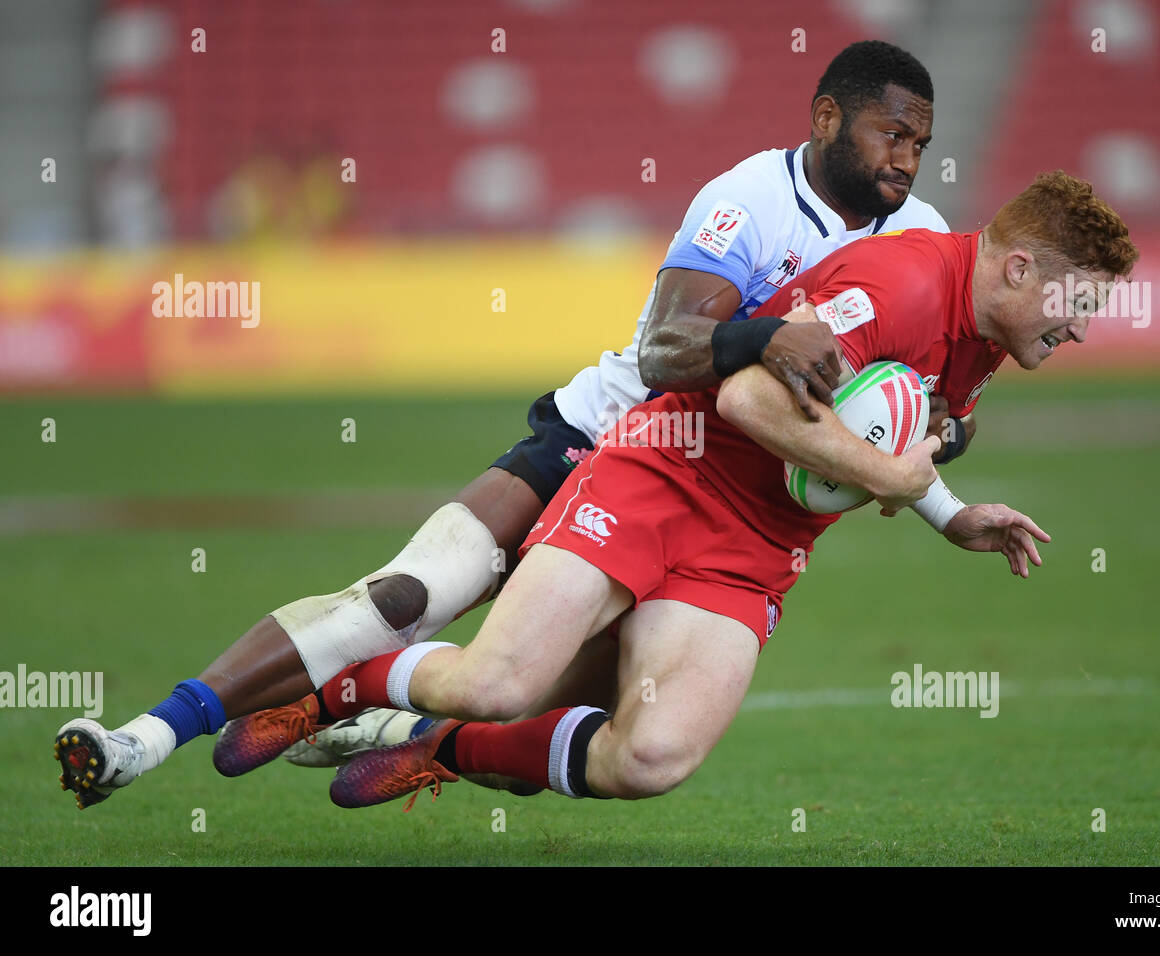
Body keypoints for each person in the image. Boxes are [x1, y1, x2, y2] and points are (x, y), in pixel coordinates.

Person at [54, 40, 959, 808]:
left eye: (920, 142)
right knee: (410, 594)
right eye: (892, 134)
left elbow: (922, 406)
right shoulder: (751, 200)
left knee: (564, 716)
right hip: (603, 439)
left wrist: (938, 477)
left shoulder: (920, 235)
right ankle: (142, 738)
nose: (907, 161)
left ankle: (404, 730)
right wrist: (770, 335)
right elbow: (667, 350)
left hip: (714, 505)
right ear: (828, 118)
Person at [292, 171, 1141, 810]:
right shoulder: (906, 285)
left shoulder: (987, 337)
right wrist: (893, 476)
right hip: (667, 474)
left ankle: (440, 750)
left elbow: (884, 431)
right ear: (1021, 269)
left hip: (756, 546)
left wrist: (950, 514)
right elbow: (749, 396)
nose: (1084, 329)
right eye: (1081, 304)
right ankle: (334, 692)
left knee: (649, 759)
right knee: (499, 684)